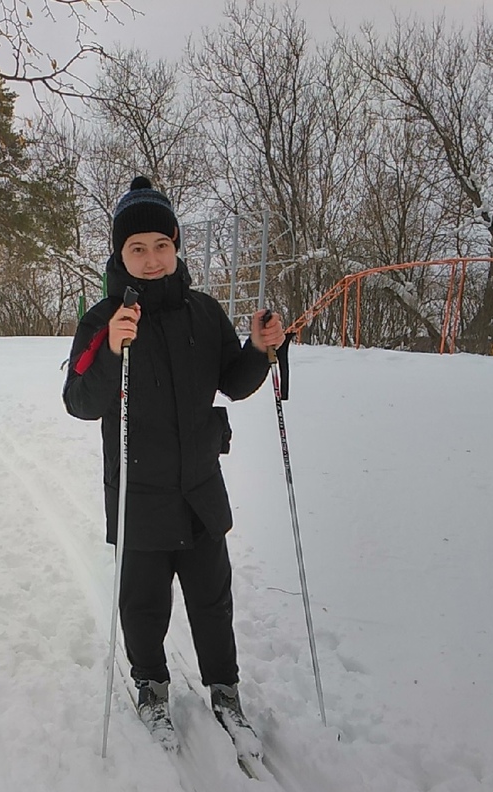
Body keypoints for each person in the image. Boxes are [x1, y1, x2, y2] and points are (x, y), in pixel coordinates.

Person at [63, 177, 287, 755]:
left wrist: (261, 349)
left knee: (213, 597)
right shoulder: (103, 320)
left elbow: (235, 381)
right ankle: (151, 686)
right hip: (138, 492)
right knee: (143, 603)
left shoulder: (204, 313)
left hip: (199, 489)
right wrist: (112, 349)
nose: (152, 259)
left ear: (176, 245)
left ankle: (225, 690)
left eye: (161, 245)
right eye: (137, 248)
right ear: (120, 254)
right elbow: (79, 401)